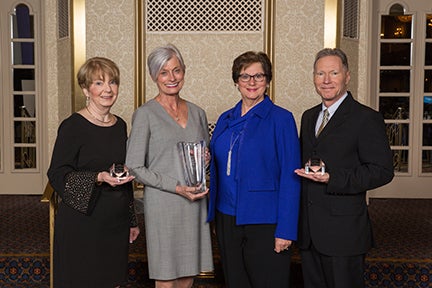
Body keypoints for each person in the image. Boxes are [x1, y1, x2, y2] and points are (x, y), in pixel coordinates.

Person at [294, 48, 394, 288]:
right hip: (309, 232)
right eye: (320, 74)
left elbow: (382, 170)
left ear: (347, 76)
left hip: (344, 234)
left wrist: (333, 178)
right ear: (314, 78)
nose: (326, 80)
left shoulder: (365, 118)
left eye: (334, 72)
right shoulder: (308, 117)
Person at [207, 51, 301, 288]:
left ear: (268, 81)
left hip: (265, 221)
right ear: (236, 81)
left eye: (258, 76)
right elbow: (221, 161)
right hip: (227, 217)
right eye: (245, 76)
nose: (252, 82)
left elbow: (291, 176)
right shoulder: (225, 118)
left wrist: (286, 230)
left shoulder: (281, 119)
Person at [125, 44, 213, 288]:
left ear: (184, 72)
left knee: (187, 275)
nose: (172, 78)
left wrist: (205, 160)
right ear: (154, 76)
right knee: (166, 278)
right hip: (164, 204)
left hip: (194, 203)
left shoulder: (198, 113)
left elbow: (203, 156)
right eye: (164, 72)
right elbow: (133, 166)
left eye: (177, 70)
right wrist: (176, 187)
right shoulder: (145, 114)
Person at [47, 57, 140, 288]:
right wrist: (98, 177)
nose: (108, 89)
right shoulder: (73, 126)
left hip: (115, 222)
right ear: (86, 89)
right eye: (99, 83)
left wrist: (132, 220)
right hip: (82, 223)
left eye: (113, 82)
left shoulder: (120, 125)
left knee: (112, 281)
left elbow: (122, 173)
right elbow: (57, 174)